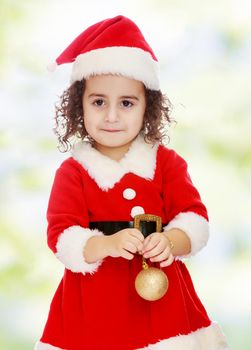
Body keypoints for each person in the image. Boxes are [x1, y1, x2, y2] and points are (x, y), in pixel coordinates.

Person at [35, 15, 228, 350]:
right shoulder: (73, 172)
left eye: (126, 103)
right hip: (92, 310)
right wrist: (107, 245)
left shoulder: (166, 163)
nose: (111, 116)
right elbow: (63, 237)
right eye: (99, 102)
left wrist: (171, 241)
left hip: (164, 309)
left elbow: (194, 220)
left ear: (147, 107)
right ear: (79, 106)